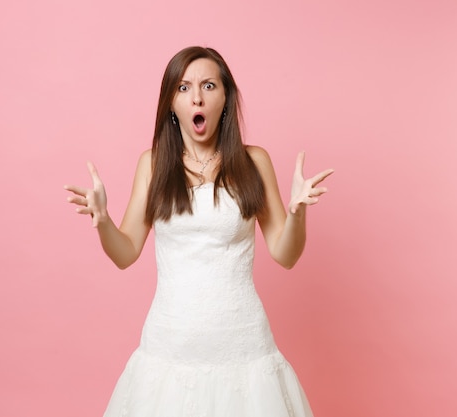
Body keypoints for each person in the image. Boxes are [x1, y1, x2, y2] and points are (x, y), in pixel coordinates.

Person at [64, 46, 333, 417]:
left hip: (243, 348)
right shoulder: (154, 163)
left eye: (208, 85)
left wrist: (296, 212)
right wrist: (103, 220)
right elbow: (125, 253)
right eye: (184, 87)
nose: (197, 96)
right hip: (170, 347)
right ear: (171, 102)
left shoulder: (254, 162)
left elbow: (285, 254)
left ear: (225, 98)